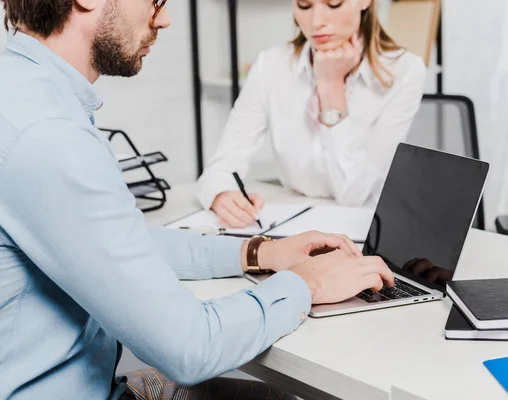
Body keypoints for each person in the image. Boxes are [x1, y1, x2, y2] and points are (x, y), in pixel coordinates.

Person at [0, 1, 395, 399]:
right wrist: (309, 283)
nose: (165, 18)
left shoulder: (23, 92)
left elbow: (113, 242)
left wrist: (257, 252)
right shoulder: (48, 134)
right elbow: (189, 347)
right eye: (155, 1)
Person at [197, 0, 427, 229]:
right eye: (304, 6)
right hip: (289, 223)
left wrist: (331, 85)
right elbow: (220, 168)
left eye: (333, 4)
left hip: (362, 228)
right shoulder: (270, 65)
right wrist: (222, 194)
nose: (317, 22)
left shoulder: (405, 71)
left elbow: (355, 194)